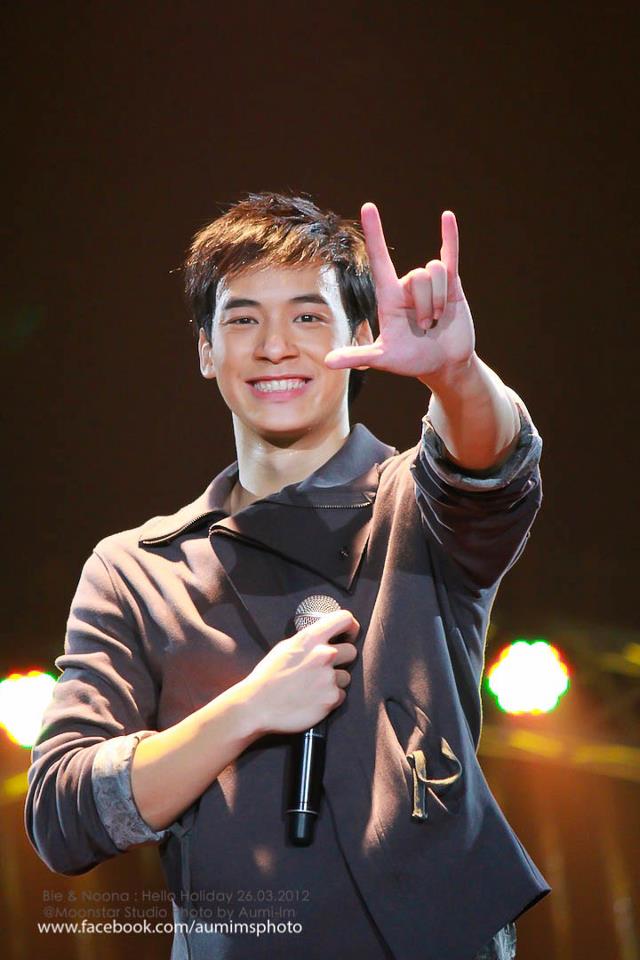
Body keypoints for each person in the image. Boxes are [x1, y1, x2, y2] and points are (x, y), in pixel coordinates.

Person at [25, 191, 549, 960]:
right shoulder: (138, 569)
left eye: (307, 315)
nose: (275, 346)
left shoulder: (415, 506)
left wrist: (458, 375)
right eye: (243, 319)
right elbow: (64, 813)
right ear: (206, 350)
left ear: (362, 336)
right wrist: (248, 709)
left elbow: (490, 468)